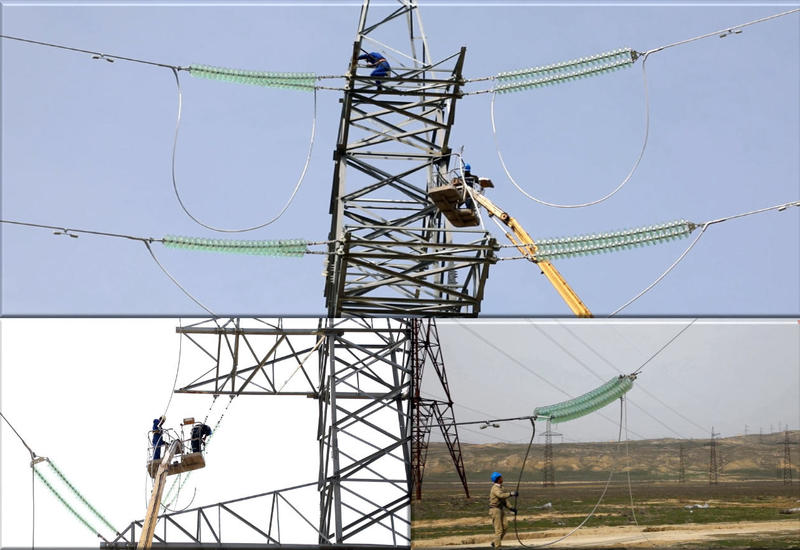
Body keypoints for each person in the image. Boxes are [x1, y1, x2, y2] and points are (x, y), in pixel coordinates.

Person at [488, 471, 518, 548]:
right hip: (495, 510)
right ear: (498, 479)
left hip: (500, 509)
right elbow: (501, 495)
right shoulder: (495, 488)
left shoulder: (501, 487)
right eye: (501, 477)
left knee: (505, 526)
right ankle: (497, 546)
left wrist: (511, 508)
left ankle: (495, 542)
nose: (502, 478)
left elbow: (504, 500)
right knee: (499, 530)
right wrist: (511, 494)